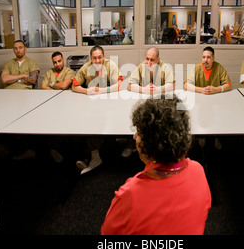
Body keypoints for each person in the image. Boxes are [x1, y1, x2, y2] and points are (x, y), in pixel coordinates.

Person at [101, 96, 211, 235]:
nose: (135, 137)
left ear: (151, 143)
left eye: (139, 132)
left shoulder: (130, 195)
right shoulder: (198, 171)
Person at [72, 45, 123, 174]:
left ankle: (91, 156)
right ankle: (91, 156)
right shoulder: (86, 67)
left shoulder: (110, 65)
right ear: (90, 58)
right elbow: (74, 86)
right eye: (94, 58)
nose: (97, 60)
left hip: (110, 102)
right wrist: (86, 91)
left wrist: (102, 90)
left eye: (100, 57)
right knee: (86, 123)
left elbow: (119, 85)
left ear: (104, 57)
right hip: (93, 103)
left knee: (94, 123)